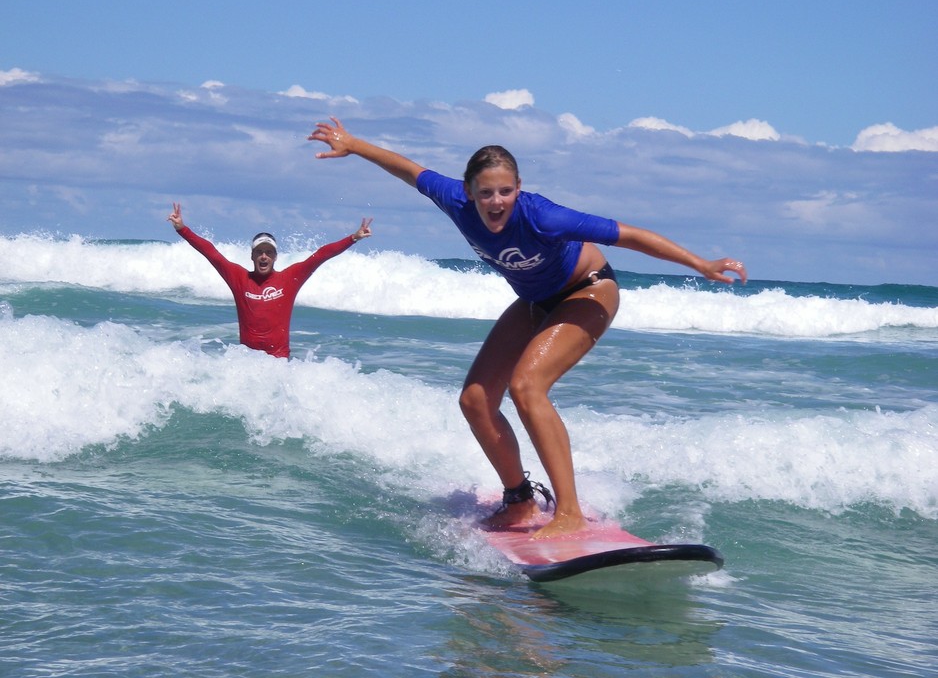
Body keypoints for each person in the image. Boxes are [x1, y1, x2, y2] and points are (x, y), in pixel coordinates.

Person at [309, 117, 747, 538]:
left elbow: (627, 235)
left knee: (527, 386)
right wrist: (353, 145)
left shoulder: (544, 217)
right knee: (475, 400)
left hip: (589, 292)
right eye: (486, 193)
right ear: (468, 192)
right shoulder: (454, 201)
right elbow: (409, 170)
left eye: (505, 191)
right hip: (537, 301)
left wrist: (700, 264)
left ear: (518, 189)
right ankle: (519, 500)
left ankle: (570, 512)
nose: (496, 201)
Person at [168, 202, 372, 358]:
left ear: (275, 257)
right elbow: (211, 253)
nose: (263, 256)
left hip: (279, 363)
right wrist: (182, 229)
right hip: (248, 362)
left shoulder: (290, 278)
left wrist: (353, 238)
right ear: (252, 256)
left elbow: (320, 256)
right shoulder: (239, 278)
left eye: (268, 252)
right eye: (259, 252)